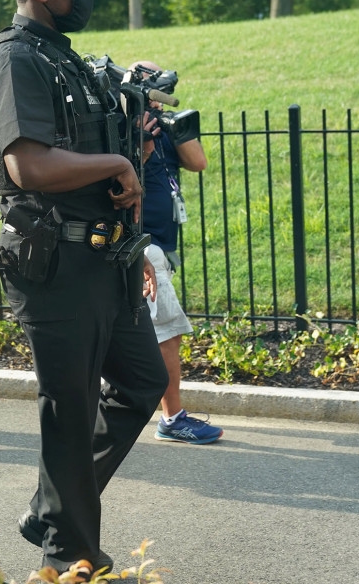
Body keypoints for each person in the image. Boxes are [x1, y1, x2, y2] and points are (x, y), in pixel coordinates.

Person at [0, 0, 168, 574]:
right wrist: (116, 161)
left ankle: (51, 511)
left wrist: (132, 236)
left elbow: (105, 172)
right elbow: (26, 164)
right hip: (56, 263)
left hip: (108, 259)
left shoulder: (72, 62)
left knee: (143, 382)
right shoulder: (14, 59)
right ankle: (71, 552)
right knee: (71, 405)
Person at [131, 61, 224, 444]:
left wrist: (173, 128)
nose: (159, 99)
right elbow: (123, 176)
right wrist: (142, 141)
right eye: (153, 88)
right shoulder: (122, 130)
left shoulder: (164, 126)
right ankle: (172, 418)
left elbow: (198, 163)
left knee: (145, 331)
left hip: (161, 245)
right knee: (167, 332)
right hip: (141, 243)